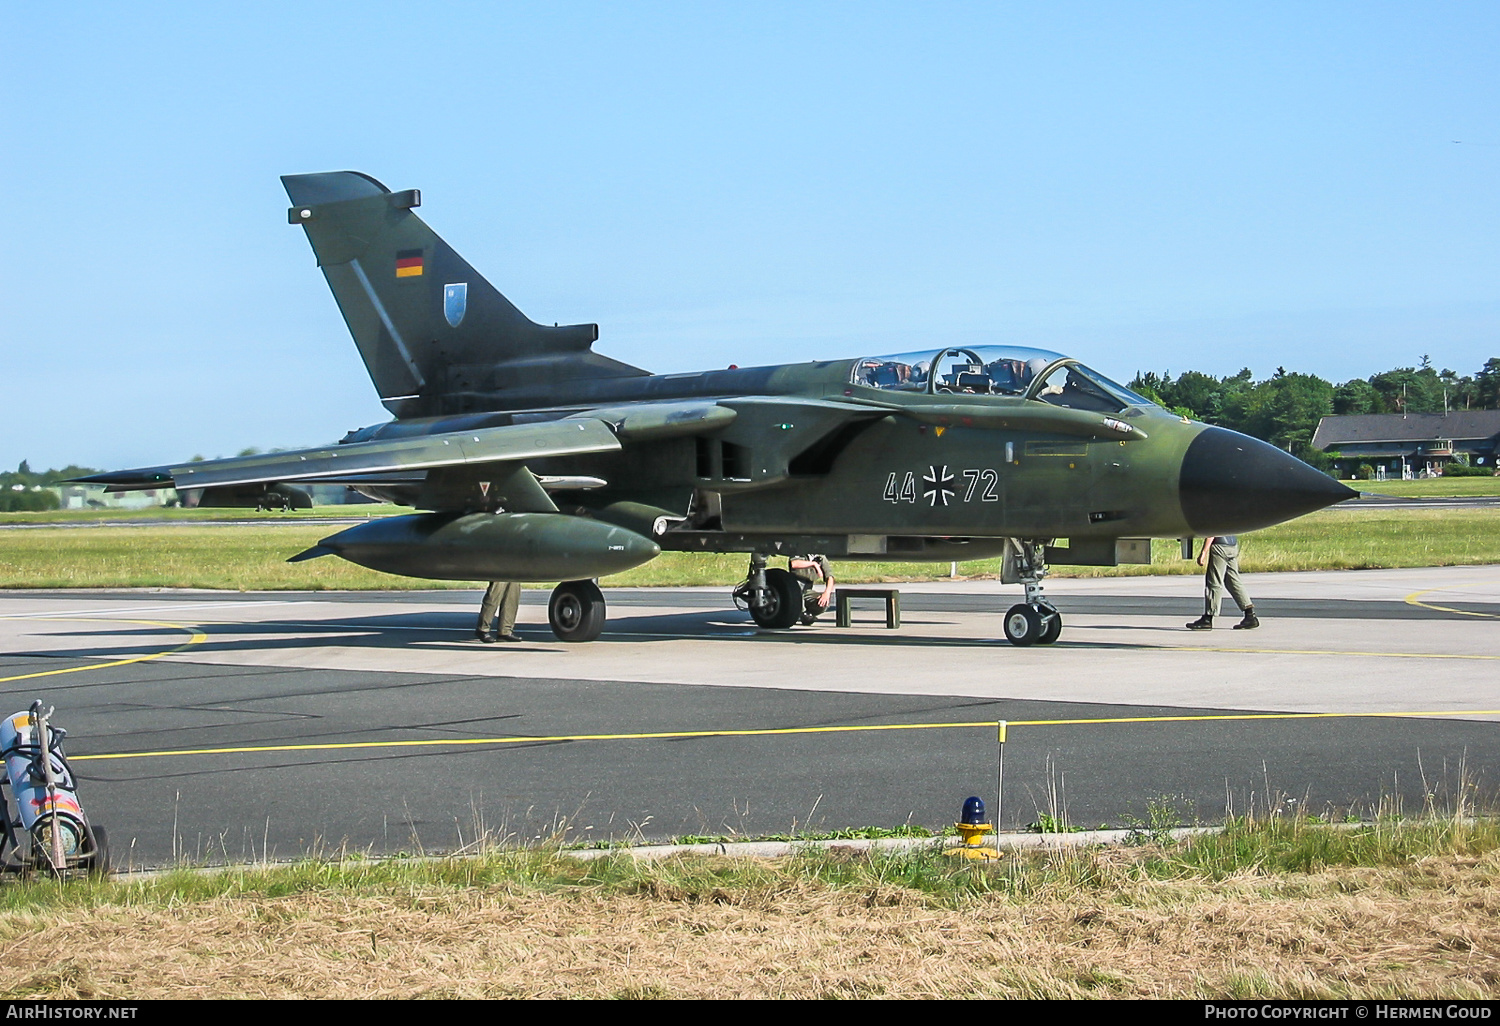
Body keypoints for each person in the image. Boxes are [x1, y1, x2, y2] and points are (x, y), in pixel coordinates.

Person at [1186, 536, 1258, 630]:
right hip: (1232, 546)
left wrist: (1203, 552)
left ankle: (1208, 618)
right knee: (1233, 581)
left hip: (1219, 545)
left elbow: (1212, 531)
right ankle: (1250, 615)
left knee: (1214, 581)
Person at [789, 555, 835, 625]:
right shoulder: (800, 552)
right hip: (793, 588)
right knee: (798, 595)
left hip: (807, 590)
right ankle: (803, 614)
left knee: (823, 603)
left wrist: (826, 594)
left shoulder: (820, 557)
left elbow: (830, 577)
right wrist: (814, 564)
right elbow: (794, 564)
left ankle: (807, 613)